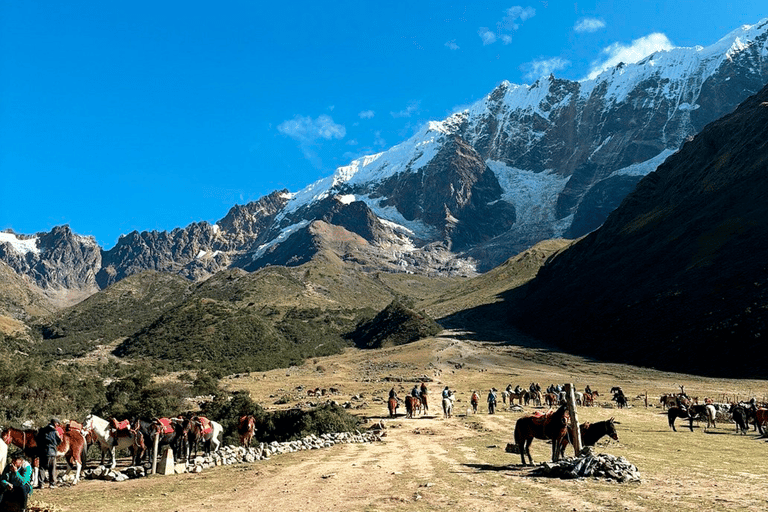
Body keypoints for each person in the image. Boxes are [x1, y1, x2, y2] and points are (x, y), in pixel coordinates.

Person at [36, 418, 62, 489]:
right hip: (52, 452)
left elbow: (37, 440)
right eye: (58, 424)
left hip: (42, 452)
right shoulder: (54, 432)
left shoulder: (41, 430)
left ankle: (41, 484)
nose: (58, 425)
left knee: (42, 468)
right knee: (52, 468)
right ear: (55, 423)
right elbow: (59, 442)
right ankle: (52, 483)